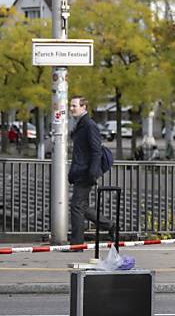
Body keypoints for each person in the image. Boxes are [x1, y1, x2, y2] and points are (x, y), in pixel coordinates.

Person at [67, 96, 112, 245]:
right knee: (81, 207)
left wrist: (92, 173)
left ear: (84, 107)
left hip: (86, 173)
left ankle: (77, 243)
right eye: (71, 106)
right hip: (81, 172)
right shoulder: (81, 125)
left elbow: (95, 151)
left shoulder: (88, 125)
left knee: (76, 207)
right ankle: (111, 226)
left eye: (74, 106)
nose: (71, 108)